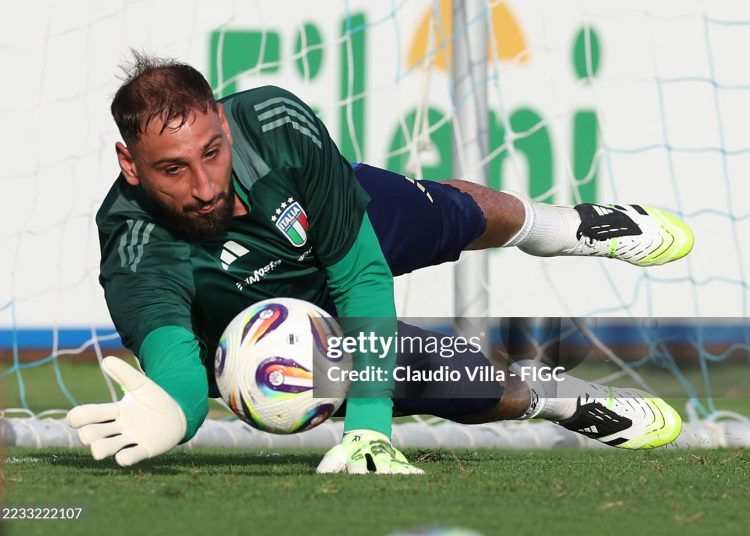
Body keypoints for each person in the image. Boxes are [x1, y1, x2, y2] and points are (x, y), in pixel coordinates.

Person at [66, 52, 693, 473]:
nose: (204, 186)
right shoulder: (132, 242)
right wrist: (174, 409)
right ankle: (562, 398)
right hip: (272, 329)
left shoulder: (275, 124)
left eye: (212, 153)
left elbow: (359, 274)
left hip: (333, 232)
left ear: (226, 128)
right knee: (463, 384)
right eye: (174, 169)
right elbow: (174, 356)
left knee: (460, 214)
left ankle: (565, 227)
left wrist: (369, 423)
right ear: (131, 165)